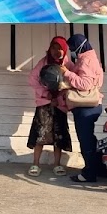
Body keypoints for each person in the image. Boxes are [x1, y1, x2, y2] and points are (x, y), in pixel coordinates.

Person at [26, 36, 75, 177]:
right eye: (53, 48)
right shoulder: (44, 62)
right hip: (44, 104)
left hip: (59, 105)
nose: (56, 51)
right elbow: (32, 79)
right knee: (40, 134)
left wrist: (59, 98)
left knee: (58, 136)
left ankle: (57, 164)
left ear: (65, 49)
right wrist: (46, 94)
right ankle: (35, 164)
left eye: (60, 48)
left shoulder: (68, 66)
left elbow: (72, 82)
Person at [66, 33, 106, 183]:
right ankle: (100, 169)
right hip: (93, 105)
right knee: (91, 139)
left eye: (72, 47)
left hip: (85, 107)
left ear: (78, 46)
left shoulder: (86, 61)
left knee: (86, 141)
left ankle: (89, 173)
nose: (71, 50)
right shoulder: (90, 58)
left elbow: (85, 84)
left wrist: (68, 74)